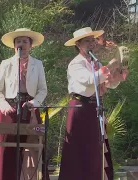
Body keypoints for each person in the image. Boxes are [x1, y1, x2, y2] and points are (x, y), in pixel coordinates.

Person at [58, 27, 129, 180]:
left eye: (93, 40)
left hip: (94, 108)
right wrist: (111, 65)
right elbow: (91, 80)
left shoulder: (95, 62)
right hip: (80, 108)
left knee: (95, 149)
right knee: (79, 150)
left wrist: (118, 76)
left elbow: (108, 84)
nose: (91, 43)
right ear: (78, 44)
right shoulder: (75, 63)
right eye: (87, 41)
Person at [0, 28, 49, 180]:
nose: (22, 44)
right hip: (9, 109)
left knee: (31, 147)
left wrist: (34, 103)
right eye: (18, 41)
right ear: (14, 45)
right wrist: (4, 106)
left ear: (31, 45)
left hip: (29, 108)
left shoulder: (37, 64)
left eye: (25, 41)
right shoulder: (6, 63)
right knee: (6, 149)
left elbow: (43, 90)